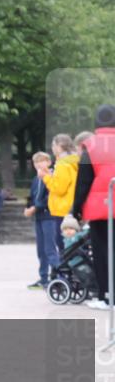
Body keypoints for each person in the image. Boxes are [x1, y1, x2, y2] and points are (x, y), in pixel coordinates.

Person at [72, 104, 115, 311]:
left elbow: (83, 182)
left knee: (101, 251)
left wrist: (76, 210)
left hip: (101, 209)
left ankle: (106, 296)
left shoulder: (90, 146)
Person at [25, 152, 61, 289]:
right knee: (41, 249)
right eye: (36, 162)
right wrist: (28, 207)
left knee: (50, 248)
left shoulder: (51, 177)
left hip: (49, 216)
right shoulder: (36, 180)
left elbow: (50, 197)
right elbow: (32, 196)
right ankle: (43, 277)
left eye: (42, 161)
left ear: (49, 162)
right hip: (39, 217)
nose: (39, 164)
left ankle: (58, 276)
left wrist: (35, 207)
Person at [40, 134, 79, 222]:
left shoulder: (63, 164)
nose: (52, 148)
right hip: (72, 206)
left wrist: (45, 177)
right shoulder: (74, 161)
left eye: (53, 145)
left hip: (62, 209)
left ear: (59, 146)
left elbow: (59, 189)